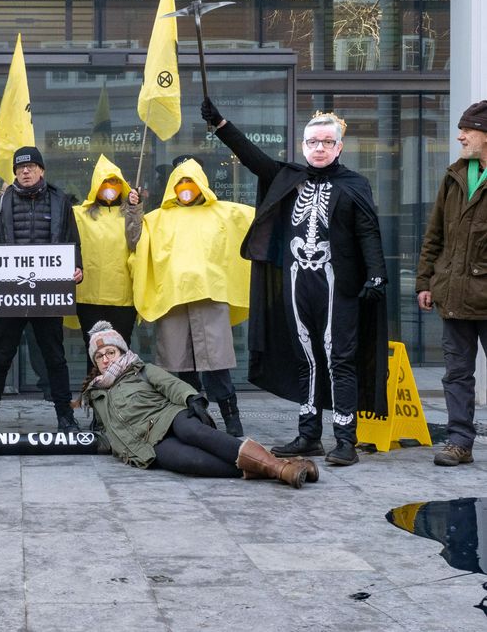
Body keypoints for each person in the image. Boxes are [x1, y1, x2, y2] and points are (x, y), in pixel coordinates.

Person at [201, 99, 388, 466]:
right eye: (313, 142)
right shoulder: (290, 178)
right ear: (303, 146)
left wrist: (376, 272)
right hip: (298, 278)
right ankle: (309, 434)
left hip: (338, 283)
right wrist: (222, 125)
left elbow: (368, 230)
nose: (319, 148)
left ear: (339, 147)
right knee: (307, 355)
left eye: (327, 142)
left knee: (340, 357)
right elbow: (253, 158)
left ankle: (346, 439)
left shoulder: (354, 185)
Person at [80, 321, 313, 487]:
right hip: (147, 443)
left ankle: (280, 469)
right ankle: (280, 467)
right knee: (191, 461)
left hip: (169, 415)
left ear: (121, 352)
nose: (106, 359)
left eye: (110, 352)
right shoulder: (96, 393)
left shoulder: (140, 370)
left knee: (196, 433)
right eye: (99, 356)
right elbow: (105, 432)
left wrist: (192, 399)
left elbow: (172, 385)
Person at [127, 155, 254, 437]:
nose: (186, 187)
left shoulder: (222, 213)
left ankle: (231, 418)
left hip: (209, 298)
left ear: (201, 184)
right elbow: (135, 242)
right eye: (181, 181)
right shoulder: (157, 219)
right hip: (173, 300)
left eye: (191, 181)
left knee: (217, 364)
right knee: (180, 365)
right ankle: (195, 417)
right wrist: (133, 211)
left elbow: (255, 221)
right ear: (173, 184)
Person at [0, 146, 84, 433]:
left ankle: (65, 417)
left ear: (42, 170)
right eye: (20, 168)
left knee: (55, 357)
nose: (25, 171)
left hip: (49, 293)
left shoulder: (60, 201)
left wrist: (78, 268)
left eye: (32, 166)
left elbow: (73, 241)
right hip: (8, 294)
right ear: (15, 173)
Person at [416, 100, 487, 467]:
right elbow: (435, 235)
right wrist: (425, 281)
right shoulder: (455, 175)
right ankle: (460, 441)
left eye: (468, 130)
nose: (460, 136)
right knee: (457, 374)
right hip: (453, 296)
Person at [71, 154, 138, 374]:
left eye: (115, 182)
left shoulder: (130, 214)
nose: (110, 187)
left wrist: (135, 209)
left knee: (121, 348)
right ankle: (96, 396)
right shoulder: (78, 214)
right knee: (95, 351)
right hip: (89, 297)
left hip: (123, 297)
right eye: (105, 182)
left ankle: (120, 394)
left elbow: (137, 241)